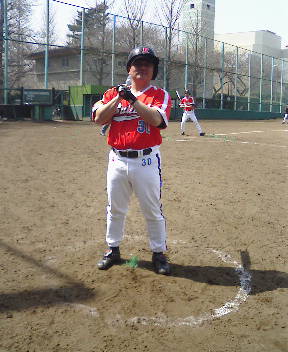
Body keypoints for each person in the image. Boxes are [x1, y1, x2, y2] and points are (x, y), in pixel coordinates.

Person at [93, 47, 172, 275]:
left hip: (146, 160)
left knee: (152, 210)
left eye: (147, 64)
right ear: (129, 69)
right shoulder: (111, 94)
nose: (142, 67)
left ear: (153, 70)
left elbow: (157, 119)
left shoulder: (159, 94)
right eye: (137, 64)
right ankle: (113, 249)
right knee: (115, 208)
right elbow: (99, 118)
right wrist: (120, 96)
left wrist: (133, 101)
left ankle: (158, 253)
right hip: (117, 159)